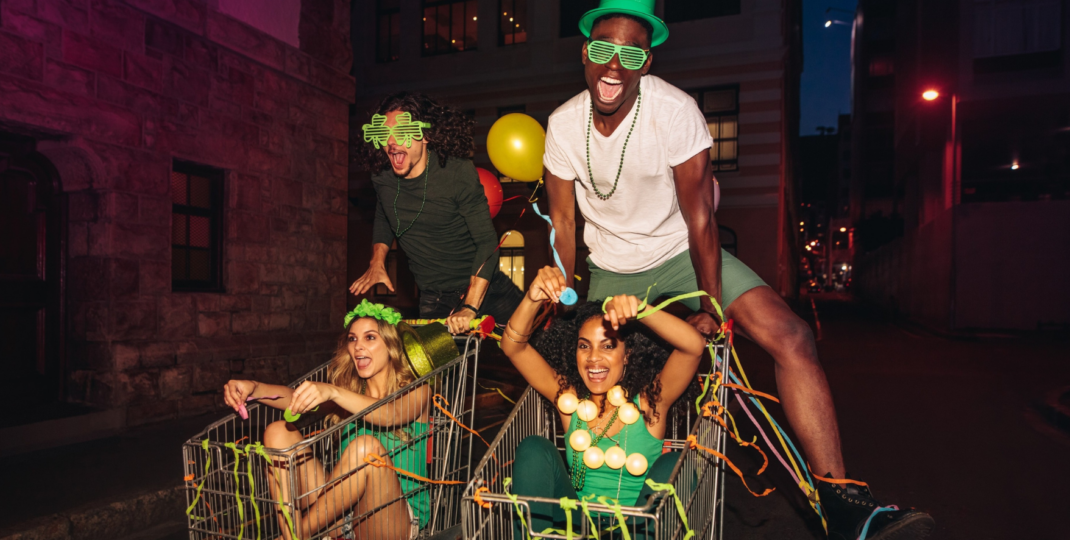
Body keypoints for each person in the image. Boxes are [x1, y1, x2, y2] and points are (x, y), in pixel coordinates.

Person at [541, 1, 934, 538]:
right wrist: (562, 288)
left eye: (630, 54)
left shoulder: (674, 112)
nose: (614, 65)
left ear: (646, 62)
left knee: (792, 335)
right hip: (611, 267)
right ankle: (602, 504)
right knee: (600, 385)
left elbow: (701, 219)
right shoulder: (564, 125)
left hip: (680, 254)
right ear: (586, 53)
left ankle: (844, 501)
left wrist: (710, 306)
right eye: (604, 49)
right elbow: (564, 222)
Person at [500, 266, 705, 535]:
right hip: (577, 525)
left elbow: (693, 347)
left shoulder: (649, 402)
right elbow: (513, 347)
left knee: (675, 463)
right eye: (584, 346)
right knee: (534, 448)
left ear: (627, 354)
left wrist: (642, 311)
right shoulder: (570, 399)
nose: (593, 357)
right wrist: (532, 298)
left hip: (637, 528)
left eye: (608, 346)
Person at [222, 300, 430, 540]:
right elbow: (294, 398)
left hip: (395, 520)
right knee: (278, 431)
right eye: (352, 339)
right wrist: (254, 387)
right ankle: (291, 533)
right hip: (344, 516)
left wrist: (333, 392)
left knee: (366, 449)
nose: (358, 346)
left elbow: (390, 414)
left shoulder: (418, 390)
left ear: (391, 344)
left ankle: (297, 535)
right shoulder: (350, 394)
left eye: (370, 337)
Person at [349, 92, 524, 332]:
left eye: (402, 132)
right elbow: (384, 213)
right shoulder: (382, 176)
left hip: (487, 288)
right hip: (435, 298)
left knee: (536, 346)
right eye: (384, 133)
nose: (391, 142)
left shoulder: (456, 173)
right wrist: (377, 261)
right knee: (435, 358)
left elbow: (486, 242)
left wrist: (470, 306)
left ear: (426, 135)